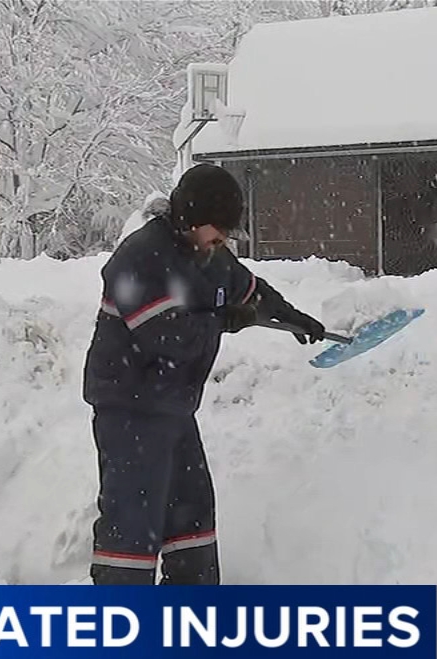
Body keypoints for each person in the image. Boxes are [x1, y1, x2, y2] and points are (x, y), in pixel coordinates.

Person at [81, 164, 326, 585]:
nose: (223, 241)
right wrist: (225, 320)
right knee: (133, 520)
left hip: (173, 407)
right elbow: (167, 337)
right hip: (130, 407)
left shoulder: (208, 253)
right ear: (192, 218)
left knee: (190, 511)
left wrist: (292, 317)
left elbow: (249, 290)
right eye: (219, 230)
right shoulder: (139, 258)